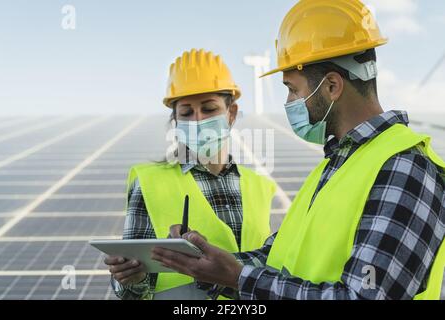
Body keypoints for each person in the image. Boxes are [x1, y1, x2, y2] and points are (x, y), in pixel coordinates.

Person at [151, 0, 445, 300]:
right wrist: (208, 263)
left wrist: (238, 278)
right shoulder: (337, 166)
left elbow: (363, 296)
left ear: (331, 86)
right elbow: (280, 257)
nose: (289, 101)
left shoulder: (403, 166)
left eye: (293, 88)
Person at [104, 49, 276, 300]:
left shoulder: (259, 185)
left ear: (231, 113)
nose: (198, 120)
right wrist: (131, 278)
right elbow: (131, 292)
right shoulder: (149, 182)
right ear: (175, 120)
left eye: (209, 109)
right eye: (186, 113)